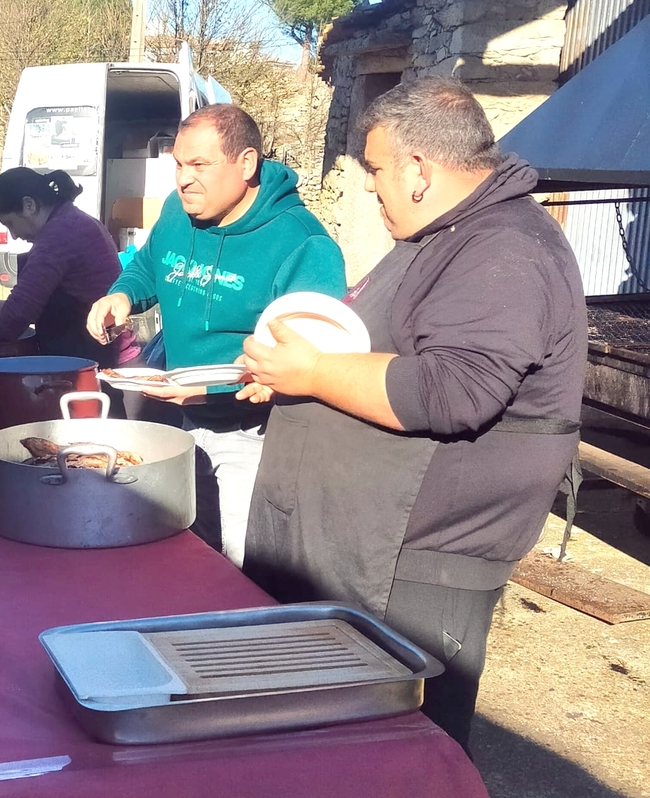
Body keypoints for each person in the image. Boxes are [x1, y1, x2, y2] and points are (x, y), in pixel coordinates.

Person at [237, 77, 586, 753]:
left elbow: (453, 388)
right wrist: (292, 377)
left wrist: (314, 373)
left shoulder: (505, 249)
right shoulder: (445, 234)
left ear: (419, 170)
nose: (371, 187)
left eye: (375, 169)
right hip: (361, 547)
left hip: (413, 569)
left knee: (397, 754)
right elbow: (385, 351)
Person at [86, 104, 346, 568]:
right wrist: (122, 296)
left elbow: (314, 361)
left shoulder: (303, 243)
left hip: (255, 435)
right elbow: (148, 266)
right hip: (180, 420)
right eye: (178, 165)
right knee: (184, 556)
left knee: (243, 567)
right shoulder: (177, 211)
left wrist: (215, 390)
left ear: (246, 163)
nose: (184, 180)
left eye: (199, 165)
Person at [0, 167, 138, 367]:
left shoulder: (60, 233)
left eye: (11, 224)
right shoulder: (71, 220)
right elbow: (45, 305)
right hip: (98, 351)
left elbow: (22, 308)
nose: (14, 235)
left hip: (104, 361)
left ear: (29, 205)